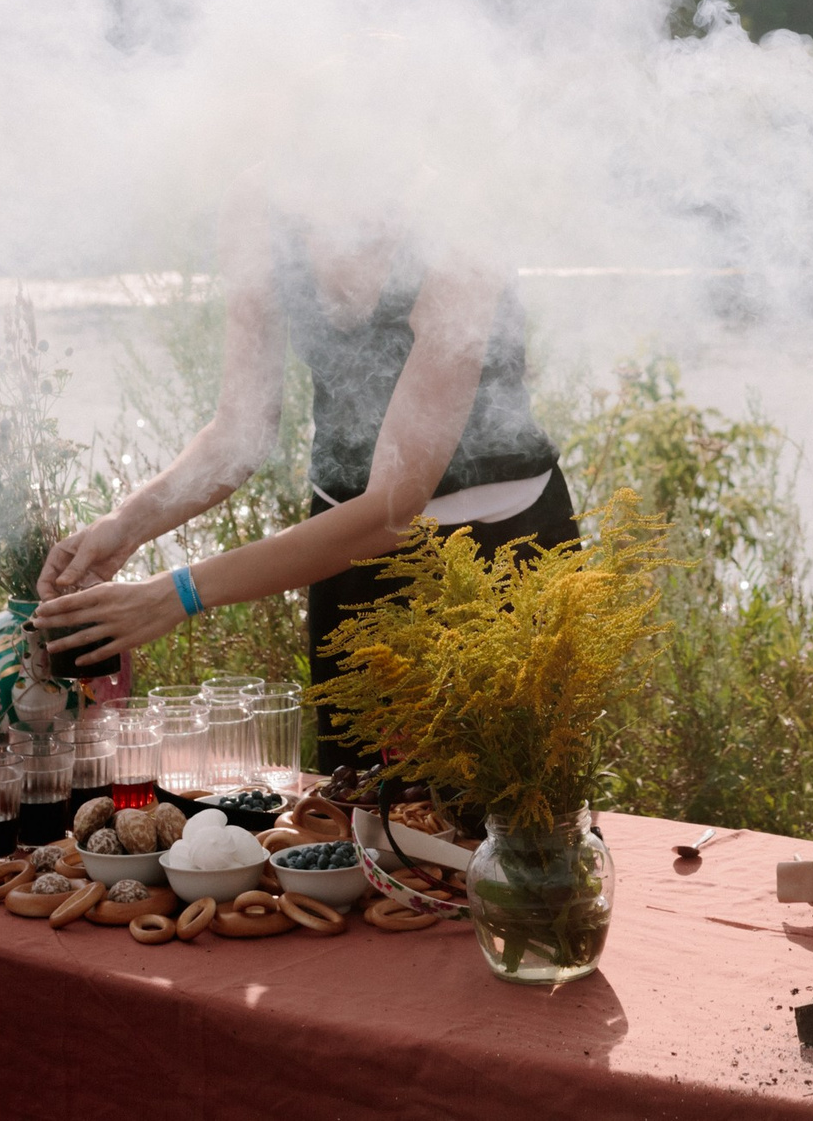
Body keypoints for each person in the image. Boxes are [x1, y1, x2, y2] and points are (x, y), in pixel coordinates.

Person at [33, 171, 575, 771]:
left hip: (502, 557)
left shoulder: (458, 221)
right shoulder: (258, 210)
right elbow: (239, 432)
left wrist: (178, 593)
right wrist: (124, 526)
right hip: (347, 560)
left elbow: (395, 508)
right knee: (360, 816)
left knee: (510, 823)